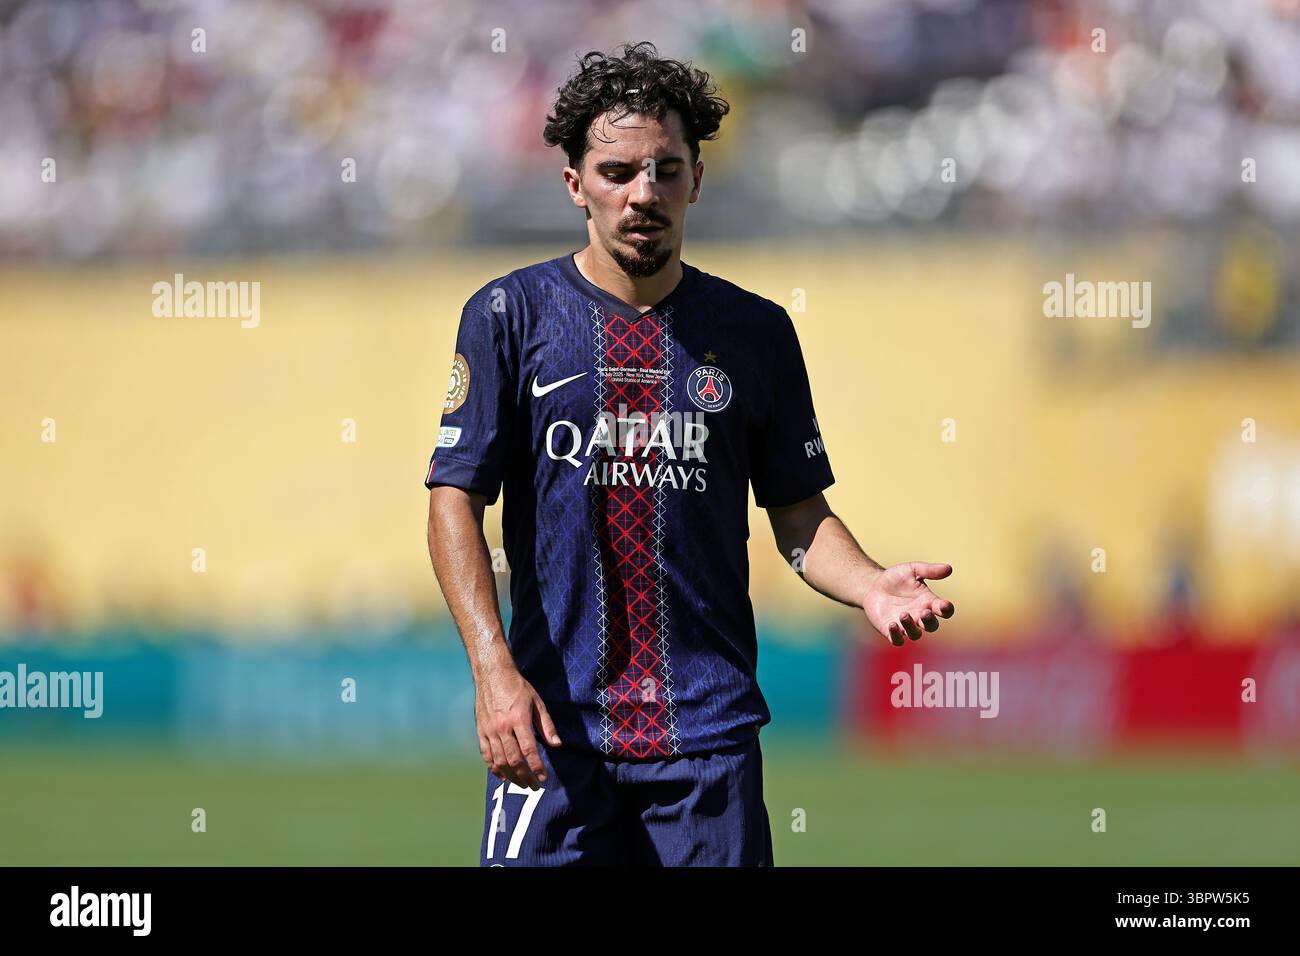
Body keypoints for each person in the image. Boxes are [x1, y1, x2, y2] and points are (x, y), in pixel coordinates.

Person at [424, 41, 954, 866]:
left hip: (708, 742)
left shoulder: (755, 333)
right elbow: (455, 497)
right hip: (554, 735)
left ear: (697, 180)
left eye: (667, 170)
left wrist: (870, 584)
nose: (644, 193)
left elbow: (801, 518)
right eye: (617, 172)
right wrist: (494, 672)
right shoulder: (508, 315)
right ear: (576, 186)